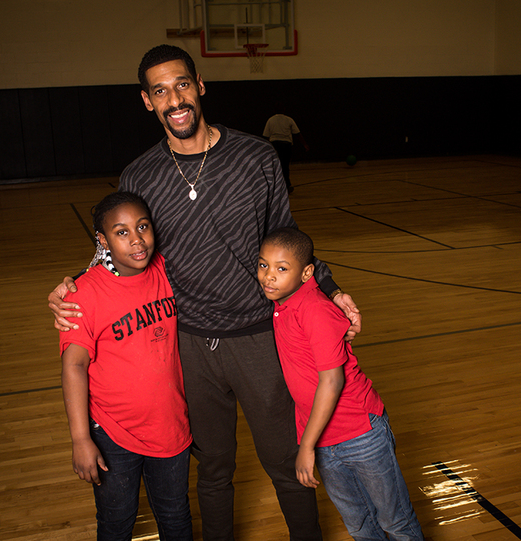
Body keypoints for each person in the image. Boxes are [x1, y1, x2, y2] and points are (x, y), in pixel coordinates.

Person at [48, 44, 362, 541]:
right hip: (188, 344)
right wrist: (74, 285)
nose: (174, 99)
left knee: (285, 462)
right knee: (213, 469)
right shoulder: (141, 175)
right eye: (160, 91)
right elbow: (124, 247)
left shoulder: (255, 156)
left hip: (259, 336)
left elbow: (285, 232)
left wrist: (329, 286)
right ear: (147, 102)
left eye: (182, 85)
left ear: (200, 85)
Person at [257, 227, 424, 541]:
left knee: (395, 522)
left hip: (361, 433)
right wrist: (313, 442)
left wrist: (305, 447)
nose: (268, 276)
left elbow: (332, 381)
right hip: (323, 439)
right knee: (360, 525)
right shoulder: (283, 303)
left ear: (308, 273)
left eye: (281, 268)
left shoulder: (315, 309)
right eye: (263, 265)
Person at [60, 191, 193, 541]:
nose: (137, 240)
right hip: (113, 434)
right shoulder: (83, 294)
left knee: (176, 517)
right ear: (102, 240)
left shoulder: (167, 270)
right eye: (121, 232)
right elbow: (73, 366)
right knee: (117, 522)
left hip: (170, 424)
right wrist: (80, 439)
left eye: (143, 227)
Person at [263, 107, 309, 193]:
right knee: (285, 165)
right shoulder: (289, 120)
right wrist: (305, 144)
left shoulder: (271, 120)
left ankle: (275, 185)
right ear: (284, 110)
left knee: (275, 166)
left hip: (275, 144)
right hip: (286, 144)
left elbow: (266, 135)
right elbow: (297, 133)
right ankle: (287, 185)